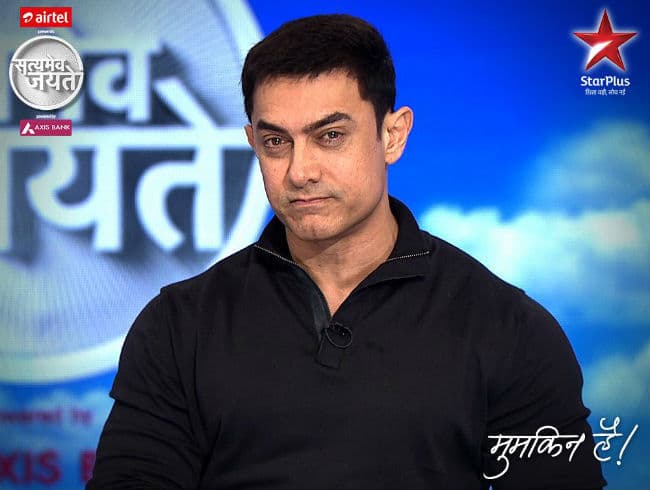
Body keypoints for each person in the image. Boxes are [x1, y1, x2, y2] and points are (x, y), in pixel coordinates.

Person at [87, 14, 606, 490]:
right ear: (252, 142)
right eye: (276, 142)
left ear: (393, 135)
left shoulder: (509, 329)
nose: (300, 171)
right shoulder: (179, 325)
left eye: (330, 136)